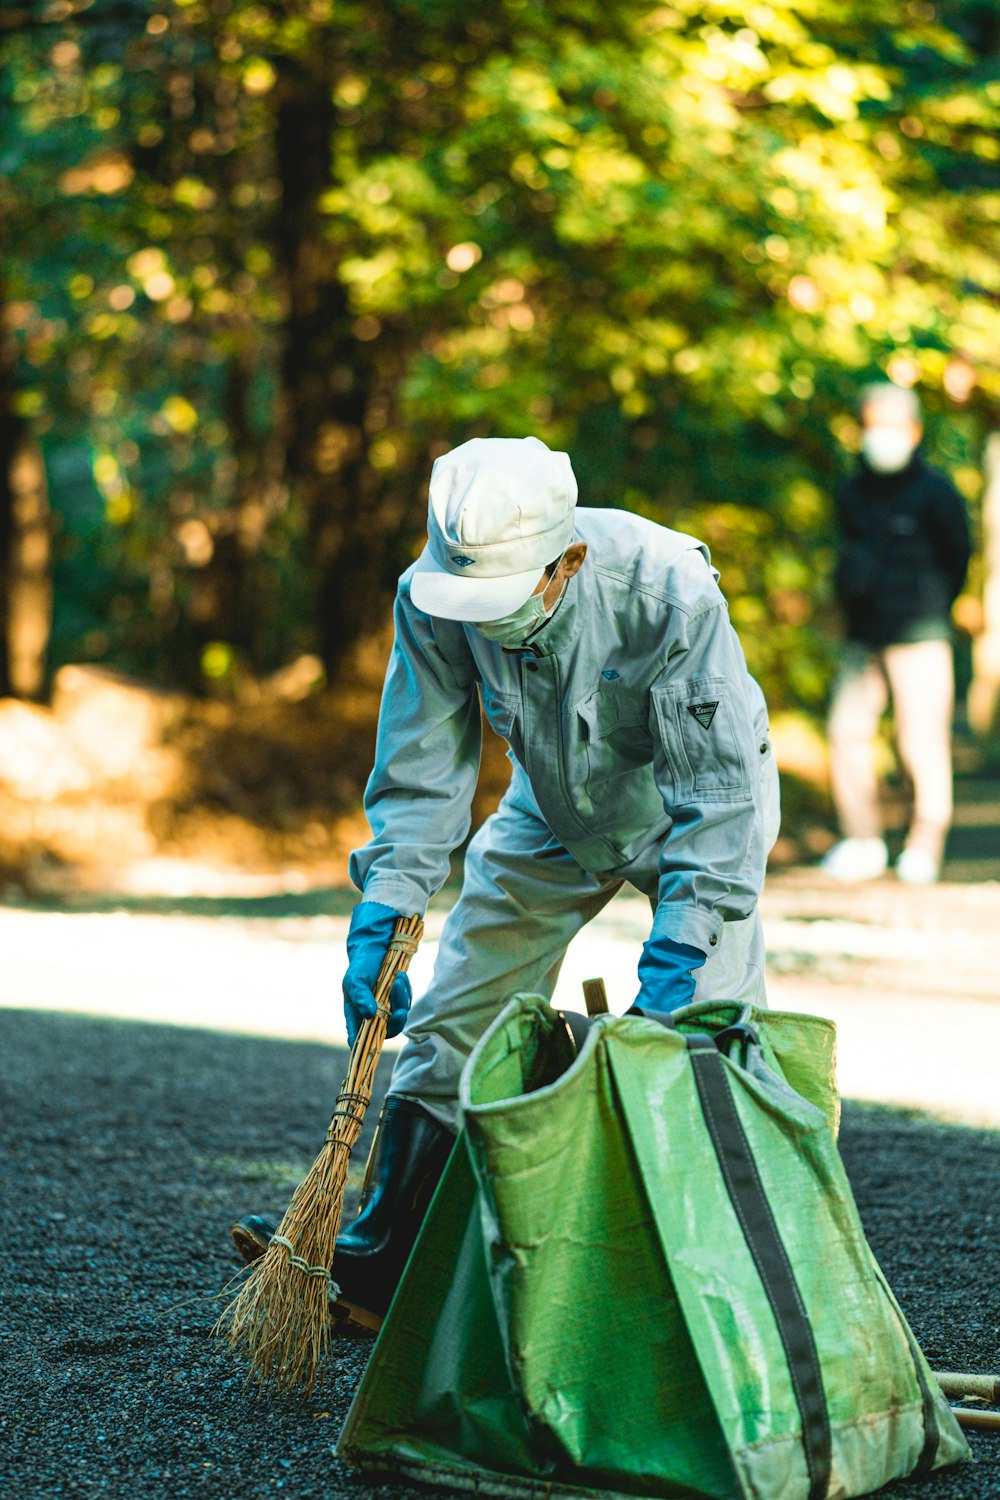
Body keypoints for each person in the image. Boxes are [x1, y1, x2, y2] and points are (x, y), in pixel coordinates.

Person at [232, 435, 780, 1325]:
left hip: (682, 807)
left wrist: (677, 954)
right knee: (459, 1009)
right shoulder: (432, 595)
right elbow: (422, 769)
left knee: (703, 1038)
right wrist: (388, 906)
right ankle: (382, 1256)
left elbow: (716, 801)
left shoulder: (669, 591)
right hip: (551, 805)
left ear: (568, 560)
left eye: (501, 601)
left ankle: (725, 1287)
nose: (480, 621)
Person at [822, 382, 971, 885]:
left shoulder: (937, 492)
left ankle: (924, 845)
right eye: (871, 423)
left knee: (920, 743)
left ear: (913, 431)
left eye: (890, 425)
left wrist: (931, 609)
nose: (879, 435)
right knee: (845, 732)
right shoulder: (853, 489)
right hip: (864, 636)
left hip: (922, 635)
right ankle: (861, 839)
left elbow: (958, 559)